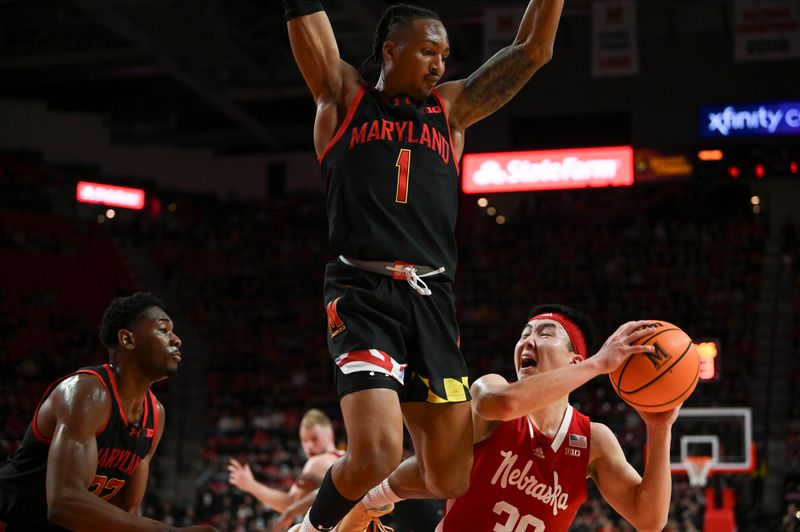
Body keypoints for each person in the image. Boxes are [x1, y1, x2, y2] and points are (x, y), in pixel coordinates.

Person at [282, 0, 566, 529]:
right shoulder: (344, 97)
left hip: (432, 298)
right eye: (428, 51)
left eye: (445, 55)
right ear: (390, 50)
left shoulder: (451, 111)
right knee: (375, 453)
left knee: (450, 476)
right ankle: (312, 527)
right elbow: (308, 22)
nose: (440, 64)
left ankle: (371, 505)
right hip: (364, 291)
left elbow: (533, 50)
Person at [346, 305, 679, 532]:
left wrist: (660, 428)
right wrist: (598, 365)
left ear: (573, 360)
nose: (528, 341)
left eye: (545, 334)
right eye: (524, 334)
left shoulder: (595, 441)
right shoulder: (493, 387)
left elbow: (649, 519)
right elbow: (500, 404)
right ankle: (364, 501)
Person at [0, 292, 216, 532]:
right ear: (127, 340)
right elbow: (63, 503)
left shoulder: (155, 414)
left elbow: (127, 514)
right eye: (163, 329)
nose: (177, 340)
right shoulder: (86, 392)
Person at [227, 409, 342, 527]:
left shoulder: (316, 462)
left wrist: (250, 485)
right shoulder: (346, 457)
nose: (309, 446)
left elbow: (289, 504)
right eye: (304, 440)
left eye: (314, 439)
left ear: (330, 436)